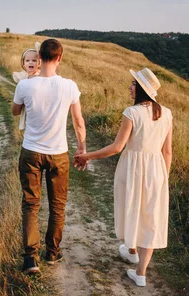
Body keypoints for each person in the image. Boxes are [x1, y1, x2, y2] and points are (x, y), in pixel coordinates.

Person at [74, 68, 173, 287]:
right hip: (157, 170)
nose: (130, 87)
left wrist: (86, 156)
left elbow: (117, 148)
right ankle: (138, 265)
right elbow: (168, 152)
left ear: (141, 89)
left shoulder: (132, 113)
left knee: (131, 207)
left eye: (133, 84)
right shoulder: (166, 113)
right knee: (150, 217)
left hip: (133, 168)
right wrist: (163, 177)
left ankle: (133, 255)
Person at [12, 38, 86, 274]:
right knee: (57, 206)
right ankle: (52, 253)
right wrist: (82, 149)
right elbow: (78, 121)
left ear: (40, 57)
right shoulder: (70, 86)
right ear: (60, 58)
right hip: (58, 154)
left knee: (30, 205)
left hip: (31, 152)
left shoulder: (25, 85)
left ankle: (30, 259)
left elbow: (15, 112)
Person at [12, 43, 41, 131]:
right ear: (23, 64)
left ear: (39, 63)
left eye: (34, 60)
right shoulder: (22, 76)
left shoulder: (40, 75)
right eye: (27, 61)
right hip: (26, 107)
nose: (31, 62)